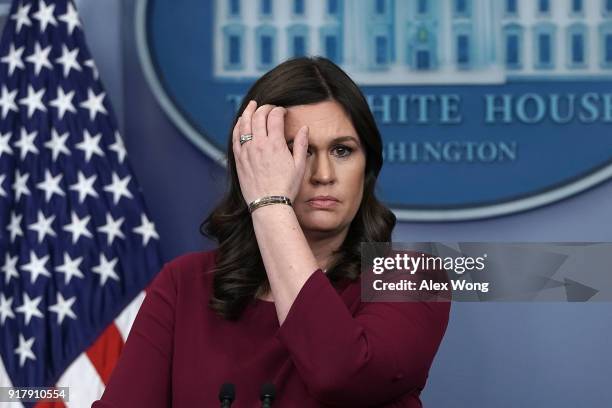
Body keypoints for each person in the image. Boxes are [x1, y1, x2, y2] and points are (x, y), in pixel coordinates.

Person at [92, 56, 450, 407]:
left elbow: (342, 374)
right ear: (253, 164)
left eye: (342, 150)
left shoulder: (417, 277)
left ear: (368, 166)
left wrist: (270, 203)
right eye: (299, 150)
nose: (323, 174)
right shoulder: (183, 282)